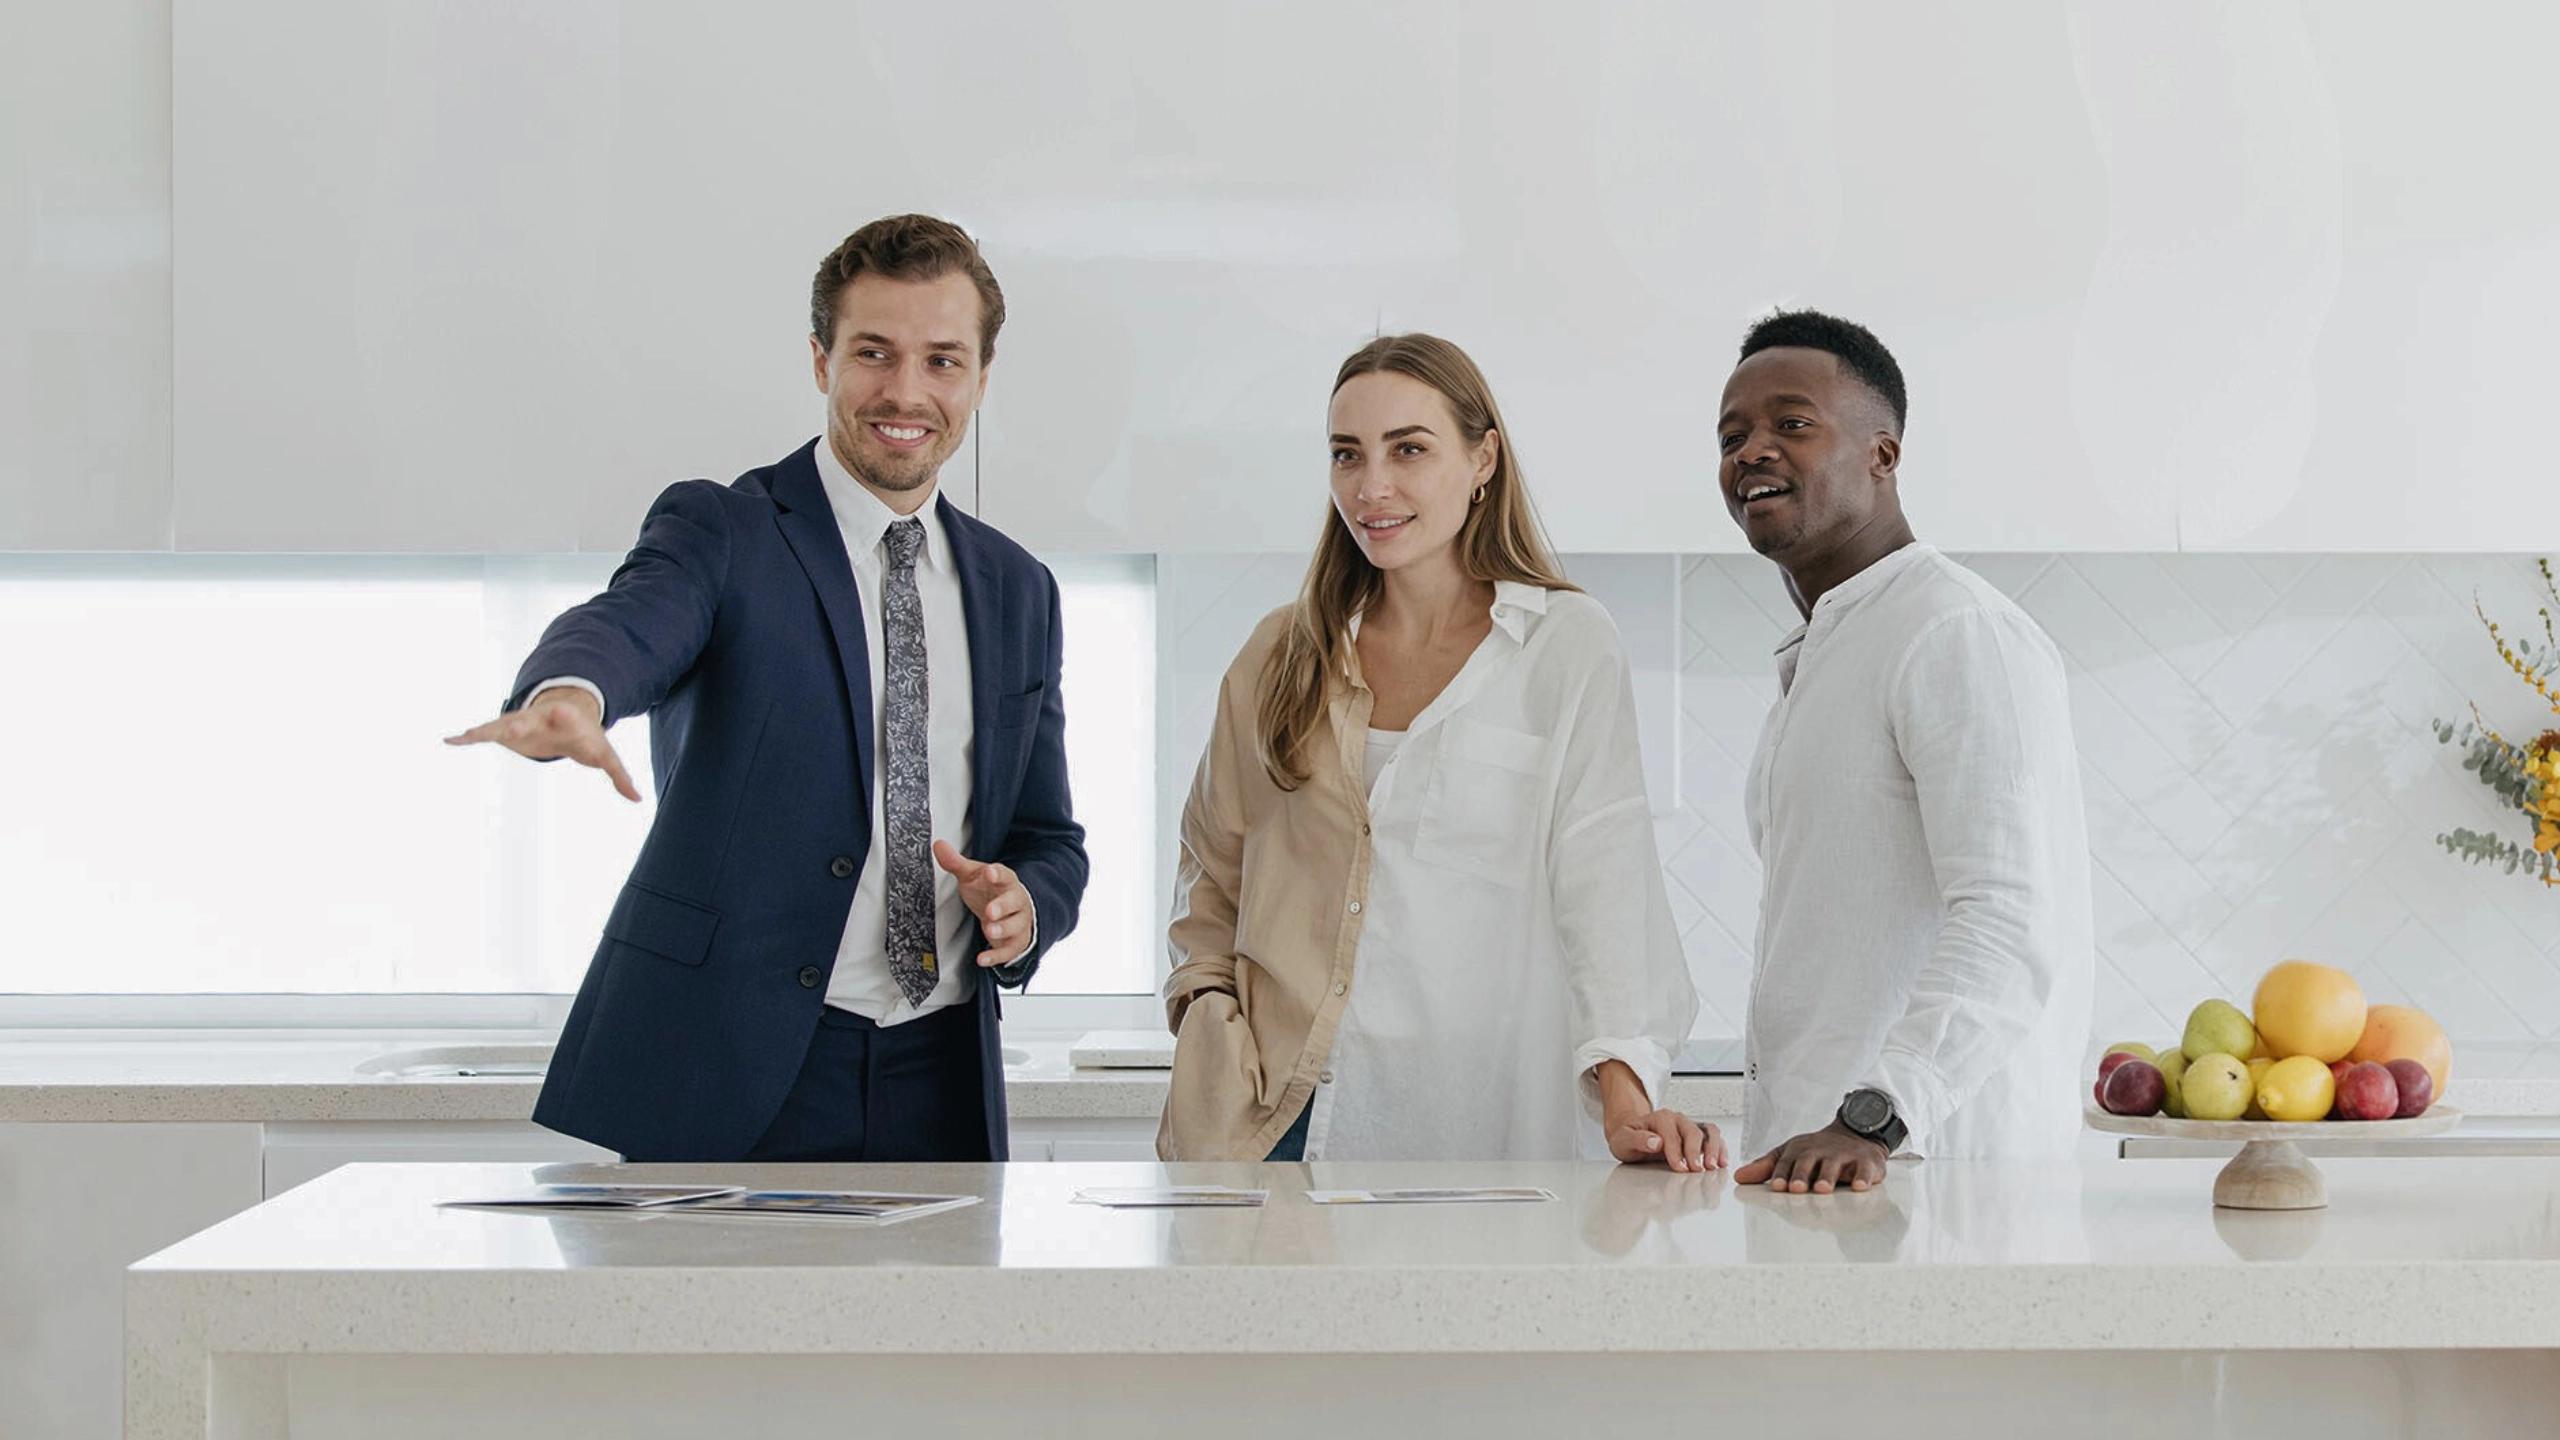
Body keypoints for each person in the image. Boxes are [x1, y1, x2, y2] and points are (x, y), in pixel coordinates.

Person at [446, 215, 1087, 1163]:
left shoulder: (1018, 588)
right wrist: (573, 693)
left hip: (941, 1079)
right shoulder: (727, 530)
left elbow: (1050, 842)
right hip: (736, 1068)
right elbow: (632, 620)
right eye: (874, 353)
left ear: (982, 379)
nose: (906, 392)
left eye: (943, 360)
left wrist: (1023, 905)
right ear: (821, 360)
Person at [1158, 332, 1711, 1168]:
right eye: (1348, 455)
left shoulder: (1562, 649)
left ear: (1483, 457)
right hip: (1272, 1120)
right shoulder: (1280, 655)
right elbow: (1211, 871)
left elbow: (1606, 881)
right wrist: (1208, 1021)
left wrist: (1626, 1092)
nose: (1370, 487)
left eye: (1408, 450)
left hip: (1471, 1122)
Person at [1715, 310, 2092, 1195]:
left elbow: (2008, 916)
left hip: (1932, 1175)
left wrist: (1876, 1116)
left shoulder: (1955, 632)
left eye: (1792, 425)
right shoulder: (1834, 648)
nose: (1751, 452)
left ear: (1883, 455)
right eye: (1733, 435)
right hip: (1831, 1178)